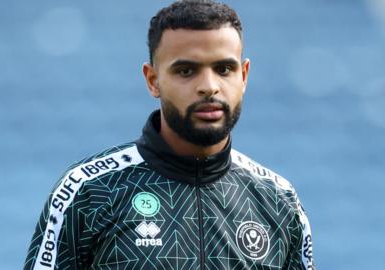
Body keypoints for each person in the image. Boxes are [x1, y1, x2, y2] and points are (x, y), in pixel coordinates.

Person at [23, 1, 315, 269]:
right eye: (186, 70)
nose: (209, 86)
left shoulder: (278, 201)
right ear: (153, 80)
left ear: (244, 76)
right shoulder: (89, 191)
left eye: (224, 68)